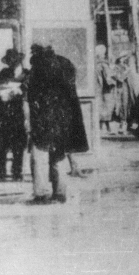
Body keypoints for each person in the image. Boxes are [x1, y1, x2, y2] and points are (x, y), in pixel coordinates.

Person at [24, 44, 90, 204]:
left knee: (39, 155)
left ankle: (41, 193)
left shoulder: (38, 67)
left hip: (43, 118)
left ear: (37, 53)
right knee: (59, 155)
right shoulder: (65, 63)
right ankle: (60, 193)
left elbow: (32, 93)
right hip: (64, 119)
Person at [0, 49, 28, 181]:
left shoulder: (27, 74)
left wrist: (19, 92)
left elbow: (30, 90)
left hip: (19, 112)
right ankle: (0, 172)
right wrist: (1, 92)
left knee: (18, 145)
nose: (12, 64)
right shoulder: (4, 73)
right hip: (4, 114)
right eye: (10, 61)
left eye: (14, 61)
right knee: (1, 144)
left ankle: (17, 172)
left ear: (19, 61)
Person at [110, 55, 136, 135]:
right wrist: (126, 72)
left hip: (128, 89)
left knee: (128, 106)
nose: (125, 59)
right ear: (120, 59)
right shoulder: (116, 67)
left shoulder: (125, 66)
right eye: (124, 57)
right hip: (120, 89)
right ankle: (121, 126)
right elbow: (119, 78)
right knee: (121, 107)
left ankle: (128, 125)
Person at [95, 45, 115, 135]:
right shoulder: (104, 64)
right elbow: (108, 77)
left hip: (98, 88)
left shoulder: (95, 64)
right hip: (105, 89)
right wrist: (112, 81)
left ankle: (102, 127)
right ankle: (107, 127)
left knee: (101, 106)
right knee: (106, 106)